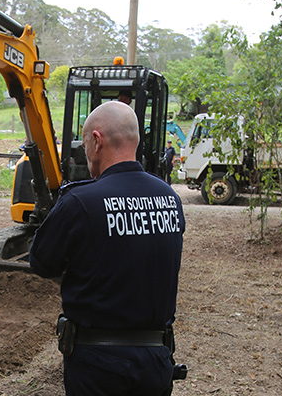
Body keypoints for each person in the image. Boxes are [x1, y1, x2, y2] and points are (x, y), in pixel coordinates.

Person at [30, 101, 185, 395]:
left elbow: (41, 262)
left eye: (85, 143)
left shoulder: (80, 202)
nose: (85, 152)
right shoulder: (170, 199)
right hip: (156, 362)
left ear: (97, 141)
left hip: (97, 366)